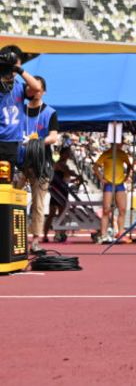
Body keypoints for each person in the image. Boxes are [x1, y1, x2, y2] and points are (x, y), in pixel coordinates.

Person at [22, 76, 59, 254]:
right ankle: (12, 237)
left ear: (43, 91)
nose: (34, 91)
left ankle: (35, 240)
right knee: (11, 199)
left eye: (37, 89)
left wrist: (35, 141)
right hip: (20, 161)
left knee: (38, 203)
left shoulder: (50, 112)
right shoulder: (20, 110)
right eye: (31, 88)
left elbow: (53, 137)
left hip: (41, 162)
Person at [0, 45, 42, 169]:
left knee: (7, 180)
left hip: (12, 142)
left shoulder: (19, 87)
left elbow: (36, 87)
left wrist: (19, 70)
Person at [93, 139, 132, 245]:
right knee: (106, 210)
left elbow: (129, 166)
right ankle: (104, 235)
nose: (122, 144)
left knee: (122, 209)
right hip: (109, 184)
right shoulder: (106, 154)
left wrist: (126, 177)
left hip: (119, 184)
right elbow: (95, 166)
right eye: (121, 142)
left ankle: (120, 233)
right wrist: (101, 178)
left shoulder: (122, 154)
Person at [45, 143, 79, 242]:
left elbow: (66, 179)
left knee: (62, 213)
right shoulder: (58, 163)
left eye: (69, 153)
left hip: (63, 190)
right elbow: (67, 171)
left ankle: (59, 234)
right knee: (52, 213)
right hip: (56, 191)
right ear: (62, 154)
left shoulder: (64, 164)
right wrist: (76, 175)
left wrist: (76, 179)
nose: (68, 155)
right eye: (67, 153)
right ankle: (47, 235)